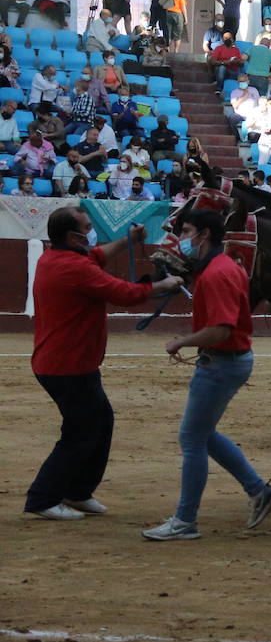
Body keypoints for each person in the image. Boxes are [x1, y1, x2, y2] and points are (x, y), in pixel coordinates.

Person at [25, 210, 181, 520]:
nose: (91, 232)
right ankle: (43, 498)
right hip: (68, 366)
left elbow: (97, 254)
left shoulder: (57, 257)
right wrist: (164, 284)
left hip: (67, 363)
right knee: (81, 433)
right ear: (74, 237)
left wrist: (127, 241)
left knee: (98, 424)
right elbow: (122, 293)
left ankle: (78, 491)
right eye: (87, 228)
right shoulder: (75, 268)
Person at [143, 209, 271, 541]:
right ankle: (258, 490)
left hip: (222, 361)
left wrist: (181, 342)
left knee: (192, 439)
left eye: (187, 230)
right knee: (203, 434)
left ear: (204, 235)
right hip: (229, 359)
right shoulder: (225, 267)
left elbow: (220, 330)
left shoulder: (216, 274)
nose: (182, 238)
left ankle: (185, 521)